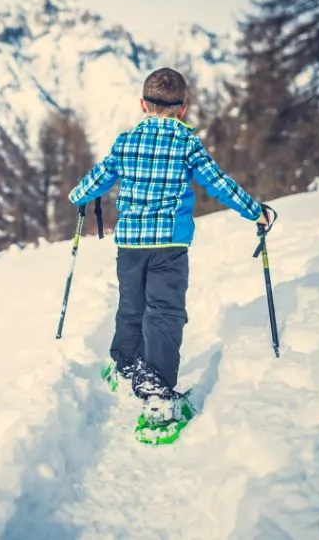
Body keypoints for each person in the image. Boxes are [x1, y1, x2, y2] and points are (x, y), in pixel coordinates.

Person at [68, 67, 273, 425]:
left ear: (143, 105)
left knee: (132, 305)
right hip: (169, 244)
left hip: (130, 244)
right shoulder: (186, 143)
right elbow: (218, 183)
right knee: (164, 311)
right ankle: (157, 389)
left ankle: (127, 364)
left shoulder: (125, 142)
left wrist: (79, 196)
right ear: (183, 108)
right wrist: (256, 212)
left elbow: (94, 182)